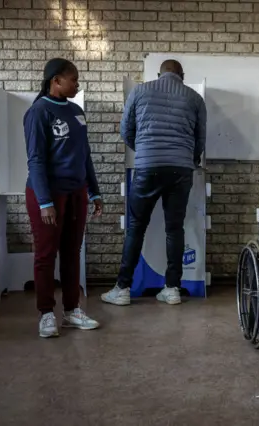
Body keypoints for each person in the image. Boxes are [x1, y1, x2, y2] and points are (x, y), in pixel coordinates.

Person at [101, 59, 207, 306]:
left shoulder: (140, 91)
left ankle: (123, 288)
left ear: (159, 74)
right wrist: (187, 158)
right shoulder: (195, 99)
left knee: (136, 226)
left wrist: (145, 150)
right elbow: (199, 139)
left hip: (148, 166)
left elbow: (126, 130)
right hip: (181, 169)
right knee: (175, 228)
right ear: (182, 75)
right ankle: (172, 289)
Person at [24, 58, 103, 338]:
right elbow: (35, 160)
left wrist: (94, 191)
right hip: (47, 194)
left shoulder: (77, 111)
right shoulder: (38, 112)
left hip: (76, 192)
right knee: (46, 255)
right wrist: (45, 201)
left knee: (72, 253)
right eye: (73, 79)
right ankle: (46, 313)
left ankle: (72, 311)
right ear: (55, 81)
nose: (77, 84)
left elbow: (85, 155)